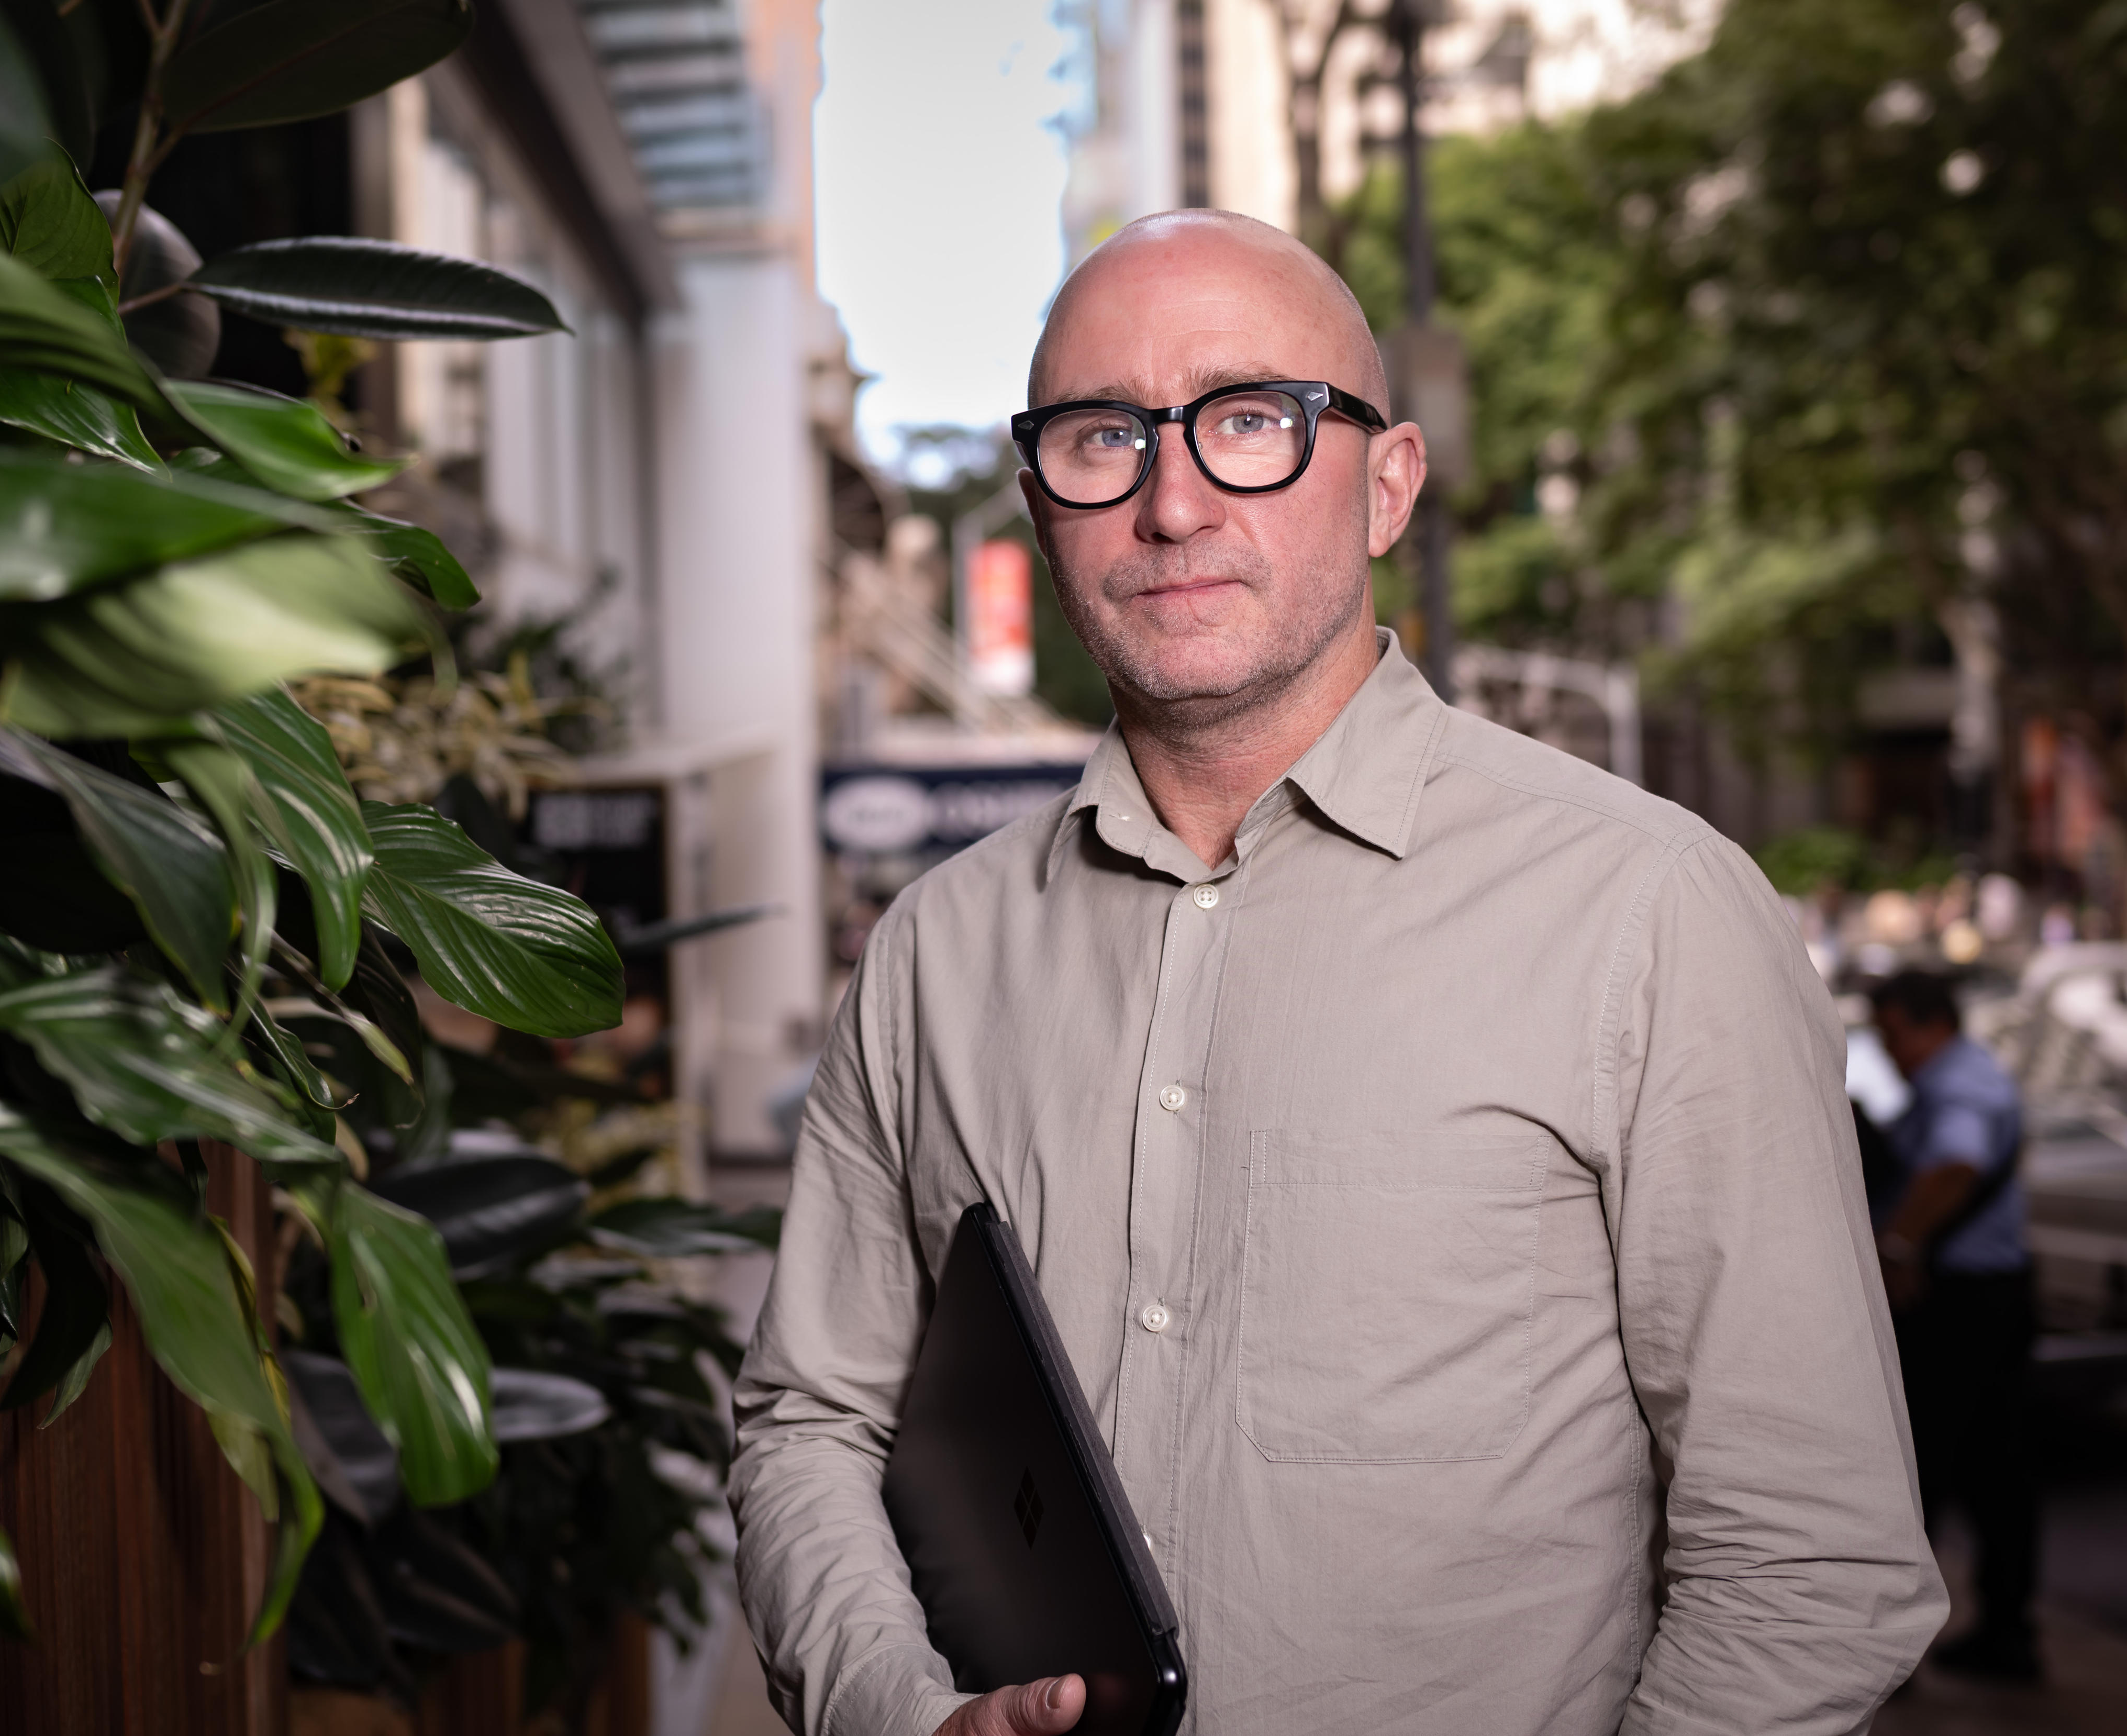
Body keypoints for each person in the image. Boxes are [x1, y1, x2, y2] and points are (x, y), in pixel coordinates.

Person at [728, 211, 1945, 1736]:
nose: (1172, 501)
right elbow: (810, 1422)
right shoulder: (936, 947)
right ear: (1042, 502)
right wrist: (894, 1714)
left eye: (1250, 421)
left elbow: (1813, 1563)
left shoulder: (1654, 912)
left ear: (1387, 485)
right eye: (1104, 437)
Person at [1868, 969, 2040, 1682]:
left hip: (1962, 1302)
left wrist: (1901, 1244)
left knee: (1929, 1466)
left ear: (1925, 1022)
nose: (1889, 1050)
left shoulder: (1959, 1084)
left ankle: (1903, 1649)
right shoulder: (1970, 1074)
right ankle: (2007, 1631)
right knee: (1996, 1465)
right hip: (1993, 1293)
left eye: (1892, 1034)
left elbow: (1955, 1164)